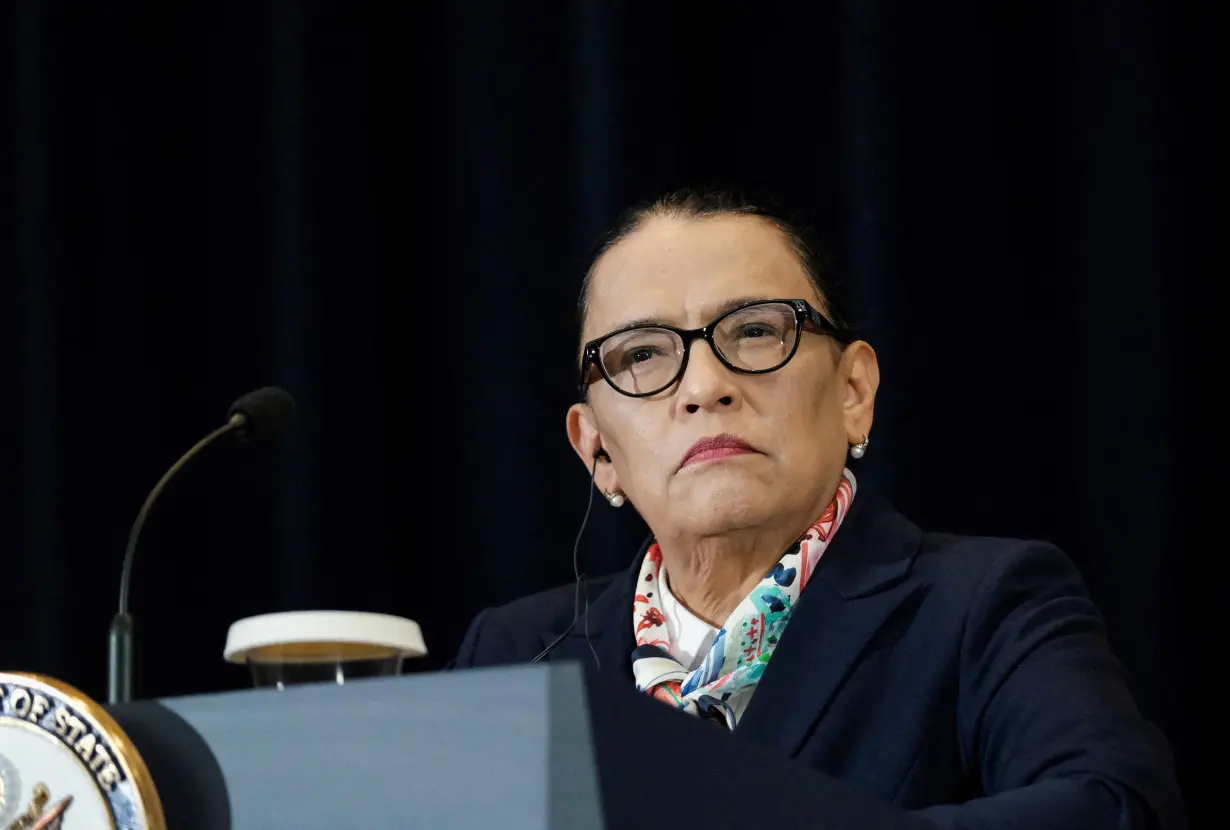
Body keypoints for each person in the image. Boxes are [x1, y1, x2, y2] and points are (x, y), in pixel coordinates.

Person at [449, 187, 1185, 828]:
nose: (704, 385)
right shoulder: (515, 654)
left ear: (852, 393)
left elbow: (1113, 807)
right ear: (596, 449)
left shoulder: (985, 605)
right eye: (642, 354)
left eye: (757, 331)